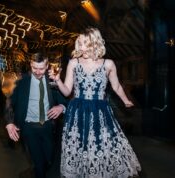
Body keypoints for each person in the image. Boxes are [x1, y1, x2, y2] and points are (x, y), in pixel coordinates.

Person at [52, 27, 141, 177]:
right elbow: (67, 91)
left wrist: (126, 100)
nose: (80, 46)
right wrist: (57, 81)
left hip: (100, 112)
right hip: (77, 111)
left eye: (84, 42)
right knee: (79, 147)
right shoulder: (73, 63)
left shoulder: (108, 64)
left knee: (101, 146)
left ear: (94, 43)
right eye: (79, 42)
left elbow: (117, 86)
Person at [4, 53, 67, 178]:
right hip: (29, 127)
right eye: (34, 68)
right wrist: (10, 122)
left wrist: (61, 107)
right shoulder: (21, 81)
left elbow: (65, 99)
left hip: (48, 126)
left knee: (49, 160)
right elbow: (9, 102)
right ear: (30, 65)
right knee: (38, 163)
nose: (38, 72)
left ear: (47, 66)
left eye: (41, 68)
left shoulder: (53, 81)